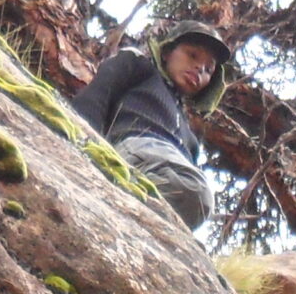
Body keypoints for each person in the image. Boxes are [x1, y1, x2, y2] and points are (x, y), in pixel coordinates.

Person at [68, 23, 228, 231]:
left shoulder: (190, 140)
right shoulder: (139, 65)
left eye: (208, 70)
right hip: (132, 146)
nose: (200, 68)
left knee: (196, 199)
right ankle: (121, 193)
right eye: (192, 55)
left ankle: (133, 214)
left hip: (164, 168)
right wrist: (79, 141)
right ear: (167, 53)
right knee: (196, 190)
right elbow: (98, 95)